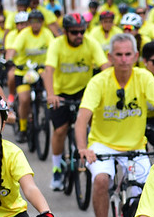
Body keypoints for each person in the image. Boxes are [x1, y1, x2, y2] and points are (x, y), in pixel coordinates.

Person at [75, 33, 154, 217]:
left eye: (129, 54)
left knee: (144, 196)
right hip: (102, 144)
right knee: (101, 181)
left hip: (135, 147)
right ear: (110, 56)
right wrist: (82, 148)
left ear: (136, 56)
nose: (124, 59)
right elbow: (81, 119)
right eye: (119, 54)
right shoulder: (99, 81)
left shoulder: (145, 78)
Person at [43, 13, 107, 190]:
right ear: (65, 32)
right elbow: (48, 70)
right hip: (60, 93)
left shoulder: (90, 43)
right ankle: (57, 167)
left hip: (84, 93)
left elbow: (105, 66)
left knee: (95, 123)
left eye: (81, 32)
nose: (79, 35)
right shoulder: (57, 44)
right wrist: (50, 94)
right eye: (74, 32)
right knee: (60, 129)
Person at [8, 10, 54, 142]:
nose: (35, 24)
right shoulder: (24, 34)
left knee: (50, 81)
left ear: (42, 23)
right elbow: (14, 49)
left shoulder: (47, 34)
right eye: (32, 21)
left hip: (40, 71)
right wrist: (10, 58)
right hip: (22, 72)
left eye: (38, 21)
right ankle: (22, 128)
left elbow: (53, 49)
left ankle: (47, 106)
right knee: (24, 99)